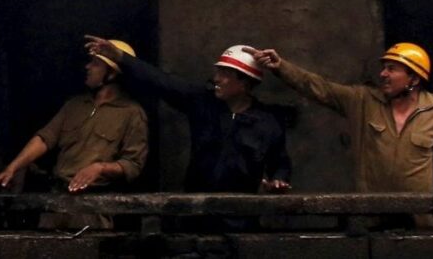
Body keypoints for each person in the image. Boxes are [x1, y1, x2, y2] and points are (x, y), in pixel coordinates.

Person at [246, 42, 433, 197]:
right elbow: (318, 87)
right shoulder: (362, 101)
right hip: (370, 216)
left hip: (417, 220)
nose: (383, 74)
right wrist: (281, 67)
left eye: (392, 69)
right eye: (383, 67)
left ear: (414, 79)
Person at [84, 36, 291, 194]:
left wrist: (278, 181)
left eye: (225, 74)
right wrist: (120, 57)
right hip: (195, 215)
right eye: (218, 72)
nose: (216, 78)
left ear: (245, 83)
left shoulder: (267, 123)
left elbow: (280, 163)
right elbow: (160, 80)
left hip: (240, 221)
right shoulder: (202, 102)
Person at [0, 40, 148, 197]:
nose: (88, 67)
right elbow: (46, 138)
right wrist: (14, 166)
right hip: (57, 199)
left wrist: (100, 168)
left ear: (112, 74)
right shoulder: (74, 105)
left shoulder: (132, 113)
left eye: (95, 64)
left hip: (95, 205)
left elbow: (133, 165)